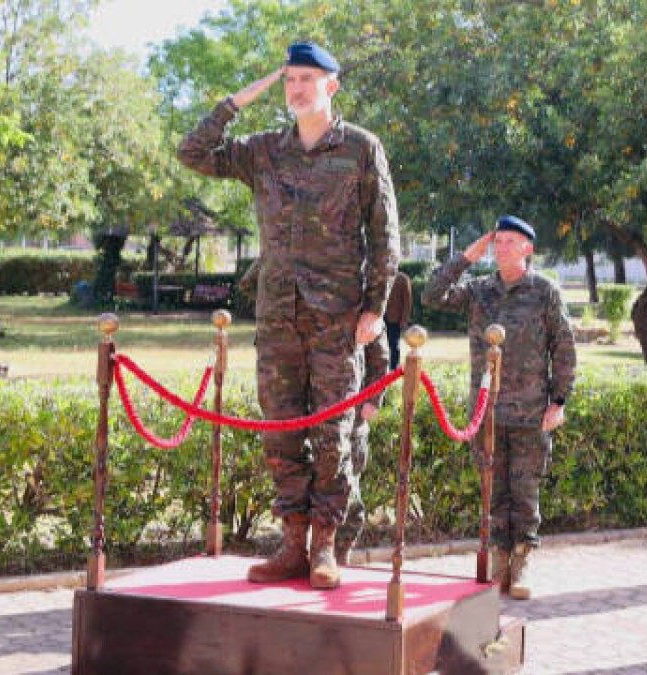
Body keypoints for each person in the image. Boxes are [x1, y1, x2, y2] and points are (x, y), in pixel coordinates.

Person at [177, 41, 400, 589]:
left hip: (336, 318)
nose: (296, 89)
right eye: (289, 80)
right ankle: (292, 543)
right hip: (278, 313)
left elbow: (384, 233)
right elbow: (192, 152)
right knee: (279, 431)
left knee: (333, 434)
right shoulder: (264, 151)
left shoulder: (361, 149)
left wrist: (374, 307)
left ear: (332, 85)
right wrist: (237, 100)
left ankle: (325, 545)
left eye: (308, 78)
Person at [422, 215, 577, 600]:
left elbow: (564, 348)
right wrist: (466, 257)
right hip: (487, 412)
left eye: (510, 241)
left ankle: (521, 562)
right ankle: (498, 560)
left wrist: (559, 400)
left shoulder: (544, 292)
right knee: (493, 491)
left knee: (524, 491)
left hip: (529, 411)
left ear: (528, 248)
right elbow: (432, 296)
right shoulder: (479, 291)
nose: (501, 247)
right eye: (498, 241)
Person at [336, 331, 390, 566]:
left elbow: (380, 357)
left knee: (348, 488)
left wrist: (373, 398)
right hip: (314, 413)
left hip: (352, 417)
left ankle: (341, 552)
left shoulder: (361, 302)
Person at [384, 271, 413, 369]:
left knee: (393, 344)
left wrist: (404, 320)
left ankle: (394, 368)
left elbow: (407, 301)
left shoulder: (403, 278)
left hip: (394, 318)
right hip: (378, 318)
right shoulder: (380, 275)